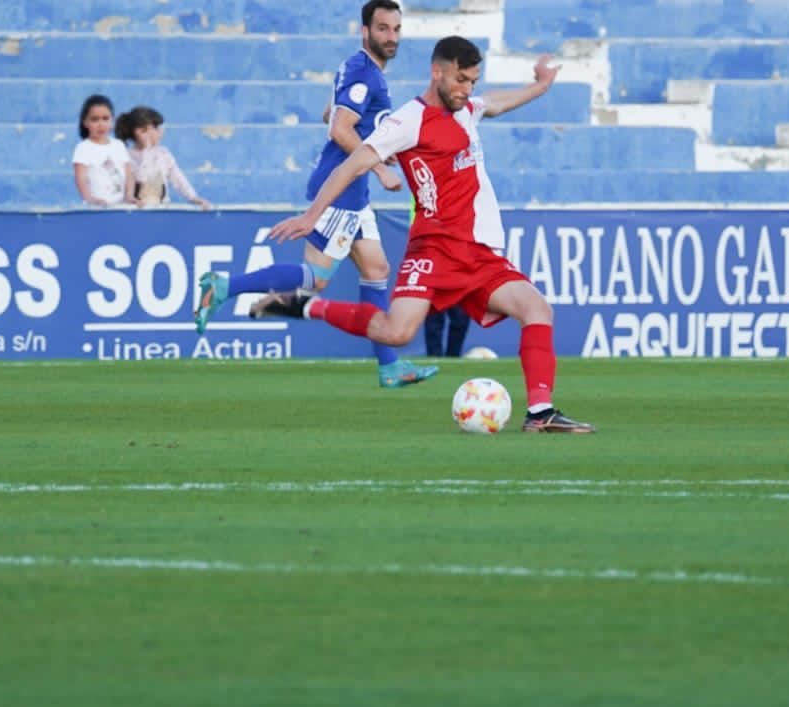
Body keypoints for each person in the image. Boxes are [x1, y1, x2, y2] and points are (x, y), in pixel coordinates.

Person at [248, 38, 592, 431]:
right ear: (438, 72)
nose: (467, 90)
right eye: (461, 80)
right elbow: (353, 166)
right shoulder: (408, 120)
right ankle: (304, 306)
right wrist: (312, 216)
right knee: (397, 332)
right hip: (435, 247)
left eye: (473, 82)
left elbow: (496, 103)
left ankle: (540, 413)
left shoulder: (466, 110)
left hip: (478, 252)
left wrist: (542, 86)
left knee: (536, 309)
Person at [195, 0, 439, 389]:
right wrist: (377, 166)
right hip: (343, 188)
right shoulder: (367, 75)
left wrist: (369, 140)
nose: (391, 37)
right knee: (316, 279)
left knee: (376, 269)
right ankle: (224, 287)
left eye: (396, 29)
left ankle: (390, 366)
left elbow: (333, 113)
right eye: (382, 29)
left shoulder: (356, 67)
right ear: (365, 31)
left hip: (353, 191)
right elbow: (339, 129)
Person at [118, 105, 209, 209]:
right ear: (138, 132)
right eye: (154, 128)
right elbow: (142, 178)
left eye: (158, 128)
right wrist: (148, 150)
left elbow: (178, 178)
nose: (159, 132)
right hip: (136, 212)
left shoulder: (164, 154)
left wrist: (193, 197)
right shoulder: (127, 156)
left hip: (161, 210)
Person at [72, 93, 132, 207]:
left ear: (112, 121)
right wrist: (90, 199)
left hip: (121, 205)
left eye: (105, 119)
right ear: (85, 122)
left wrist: (129, 196)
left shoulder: (118, 145)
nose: (101, 124)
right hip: (97, 207)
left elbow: (129, 174)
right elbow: (81, 178)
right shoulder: (83, 148)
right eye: (95, 120)